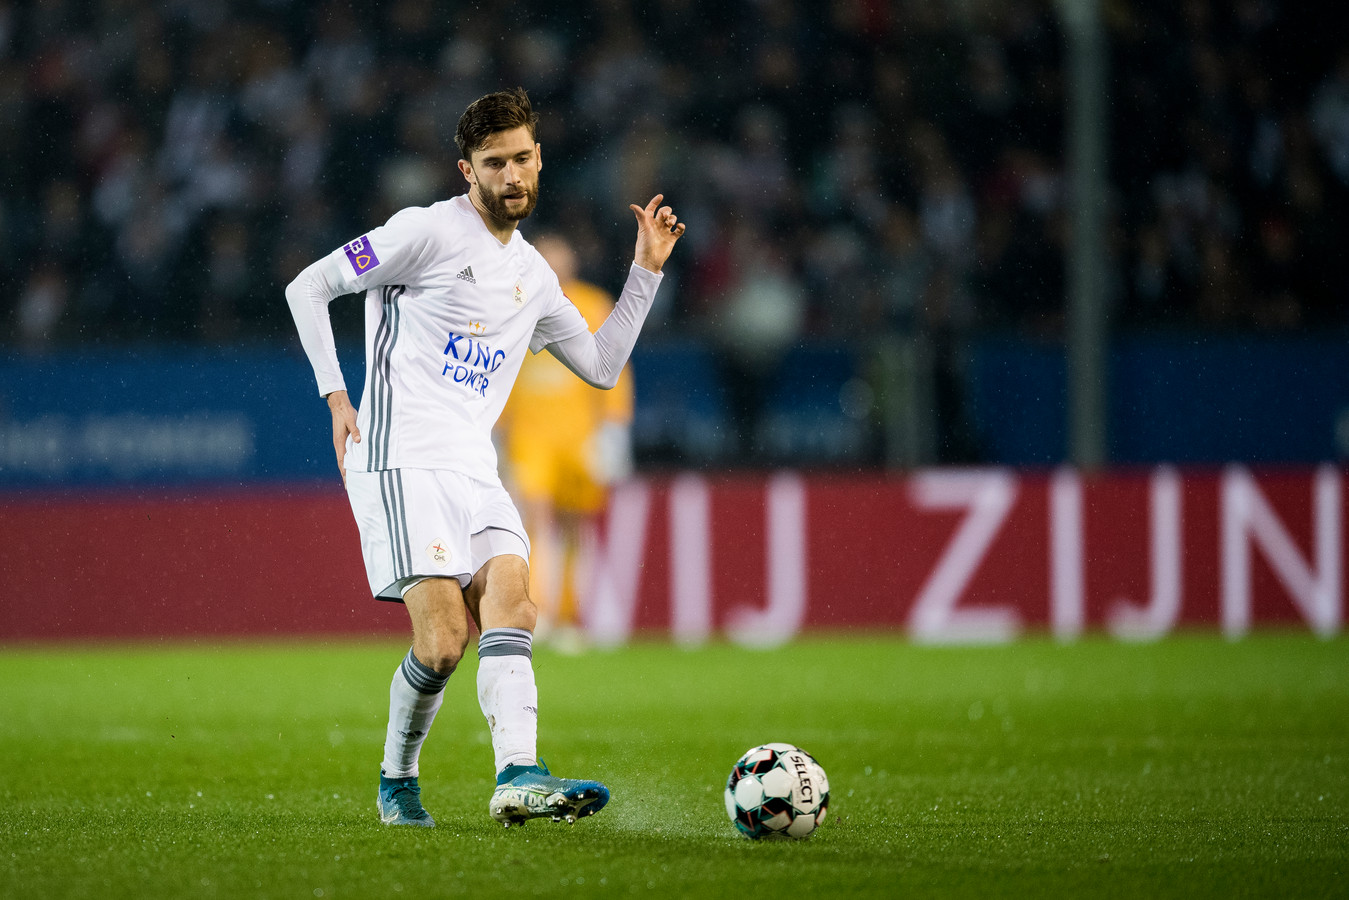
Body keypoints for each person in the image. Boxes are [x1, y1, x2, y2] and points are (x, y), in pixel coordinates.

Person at [284, 88, 684, 828]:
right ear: (465, 170)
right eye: (494, 163)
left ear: (540, 159)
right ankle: (396, 780)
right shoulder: (422, 233)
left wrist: (645, 273)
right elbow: (308, 287)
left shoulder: (532, 276)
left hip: (473, 468)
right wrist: (337, 398)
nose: (512, 176)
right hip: (398, 459)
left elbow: (600, 364)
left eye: (523, 158)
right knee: (441, 644)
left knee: (516, 605)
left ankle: (516, 776)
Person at [496, 232, 635, 650]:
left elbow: (615, 366)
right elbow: (498, 369)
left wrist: (614, 429)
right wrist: (496, 430)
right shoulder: (511, 302)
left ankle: (571, 614)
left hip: (579, 435)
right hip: (529, 436)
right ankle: (537, 616)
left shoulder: (591, 303)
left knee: (576, 526)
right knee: (534, 522)